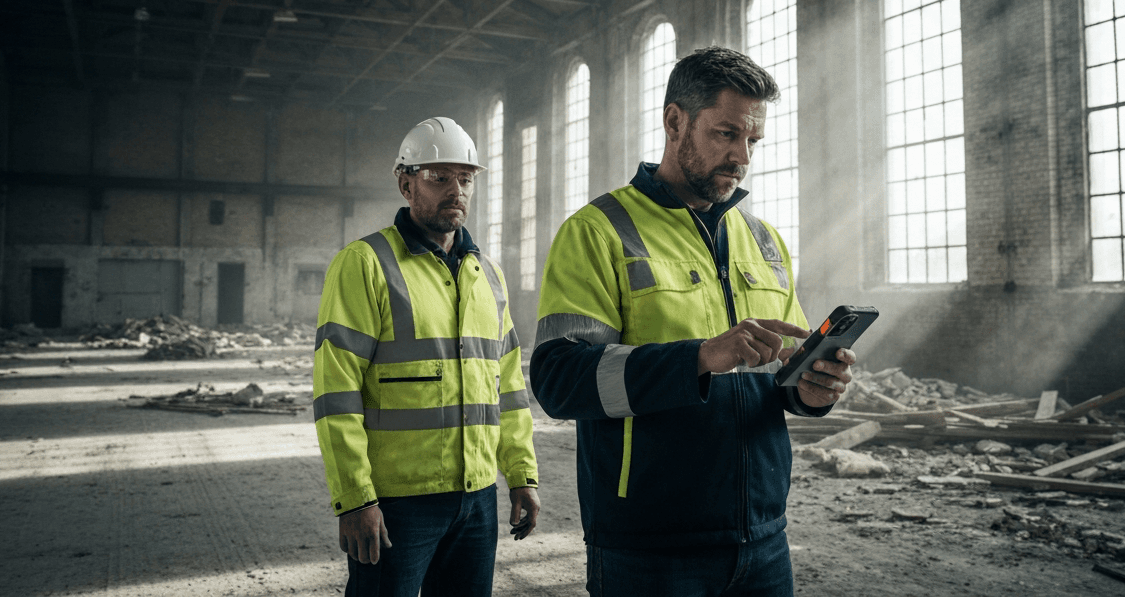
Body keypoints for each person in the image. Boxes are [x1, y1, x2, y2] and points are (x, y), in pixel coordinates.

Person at [531, 47, 857, 596]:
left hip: (763, 539)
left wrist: (813, 389)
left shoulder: (764, 241)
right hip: (650, 548)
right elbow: (560, 380)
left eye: (752, 141)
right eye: (726, 134)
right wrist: (701, 357)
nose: (742, 157)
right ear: (674, 121)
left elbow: (781, 380)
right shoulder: (598, 231)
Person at [313, 116, 540, 597]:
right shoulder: (366, 264)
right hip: (397, 503)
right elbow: (336, 392)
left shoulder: (488, 276)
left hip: (477, 499)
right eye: (439, 178)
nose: (455, 190)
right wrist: (354, 499)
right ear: (406, 183)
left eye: (466, 178)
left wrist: (520, 473)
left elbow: (510, 387)